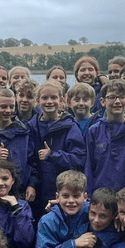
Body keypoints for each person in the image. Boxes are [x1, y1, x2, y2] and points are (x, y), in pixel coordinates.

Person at [32, 80, 87, 210]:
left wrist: (52, 155)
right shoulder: (32, 126)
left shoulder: (70, 127)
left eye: (54, 97)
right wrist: (31, 184)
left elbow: (79, 158)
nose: (49, 101)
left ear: (61, 100)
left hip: (65, 193)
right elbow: (30, 159)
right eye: (45, 98)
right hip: (38, 191)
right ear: (38, 100)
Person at [84, 79, 125, 192]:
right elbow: (88, 168)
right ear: (102, 101)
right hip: (100, 196)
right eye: (112, 97)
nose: (117, 101)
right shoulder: (93, 131)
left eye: (121, 97)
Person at [0, 87, 38, 203]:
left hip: (22, 193)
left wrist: (32, 185)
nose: (8, 110)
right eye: (3, 107)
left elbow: (33, 162)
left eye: (11, 107)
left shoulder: (24, 132)